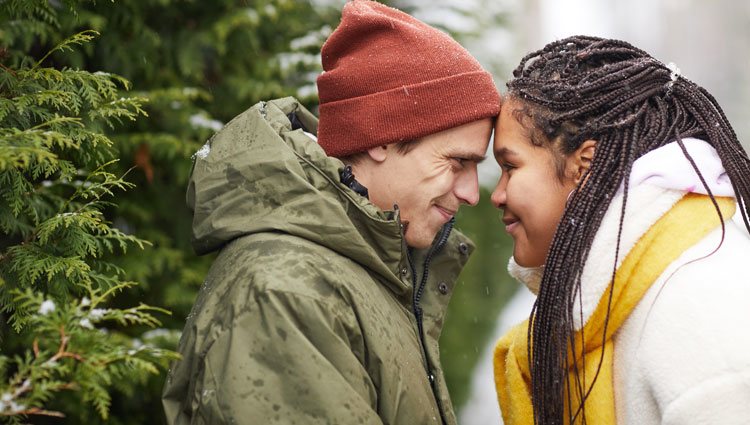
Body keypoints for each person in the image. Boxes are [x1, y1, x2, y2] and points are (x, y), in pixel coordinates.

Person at [161, 1, 501, 424]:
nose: (472, 193)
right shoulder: (286, 294)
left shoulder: (367, 269)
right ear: (381, 136)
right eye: (456, 163)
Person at [490, 36, 750, 425]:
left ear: (585, 163)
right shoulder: (627, 290)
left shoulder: (698, 306)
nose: (496, 195)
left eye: (510, 166)